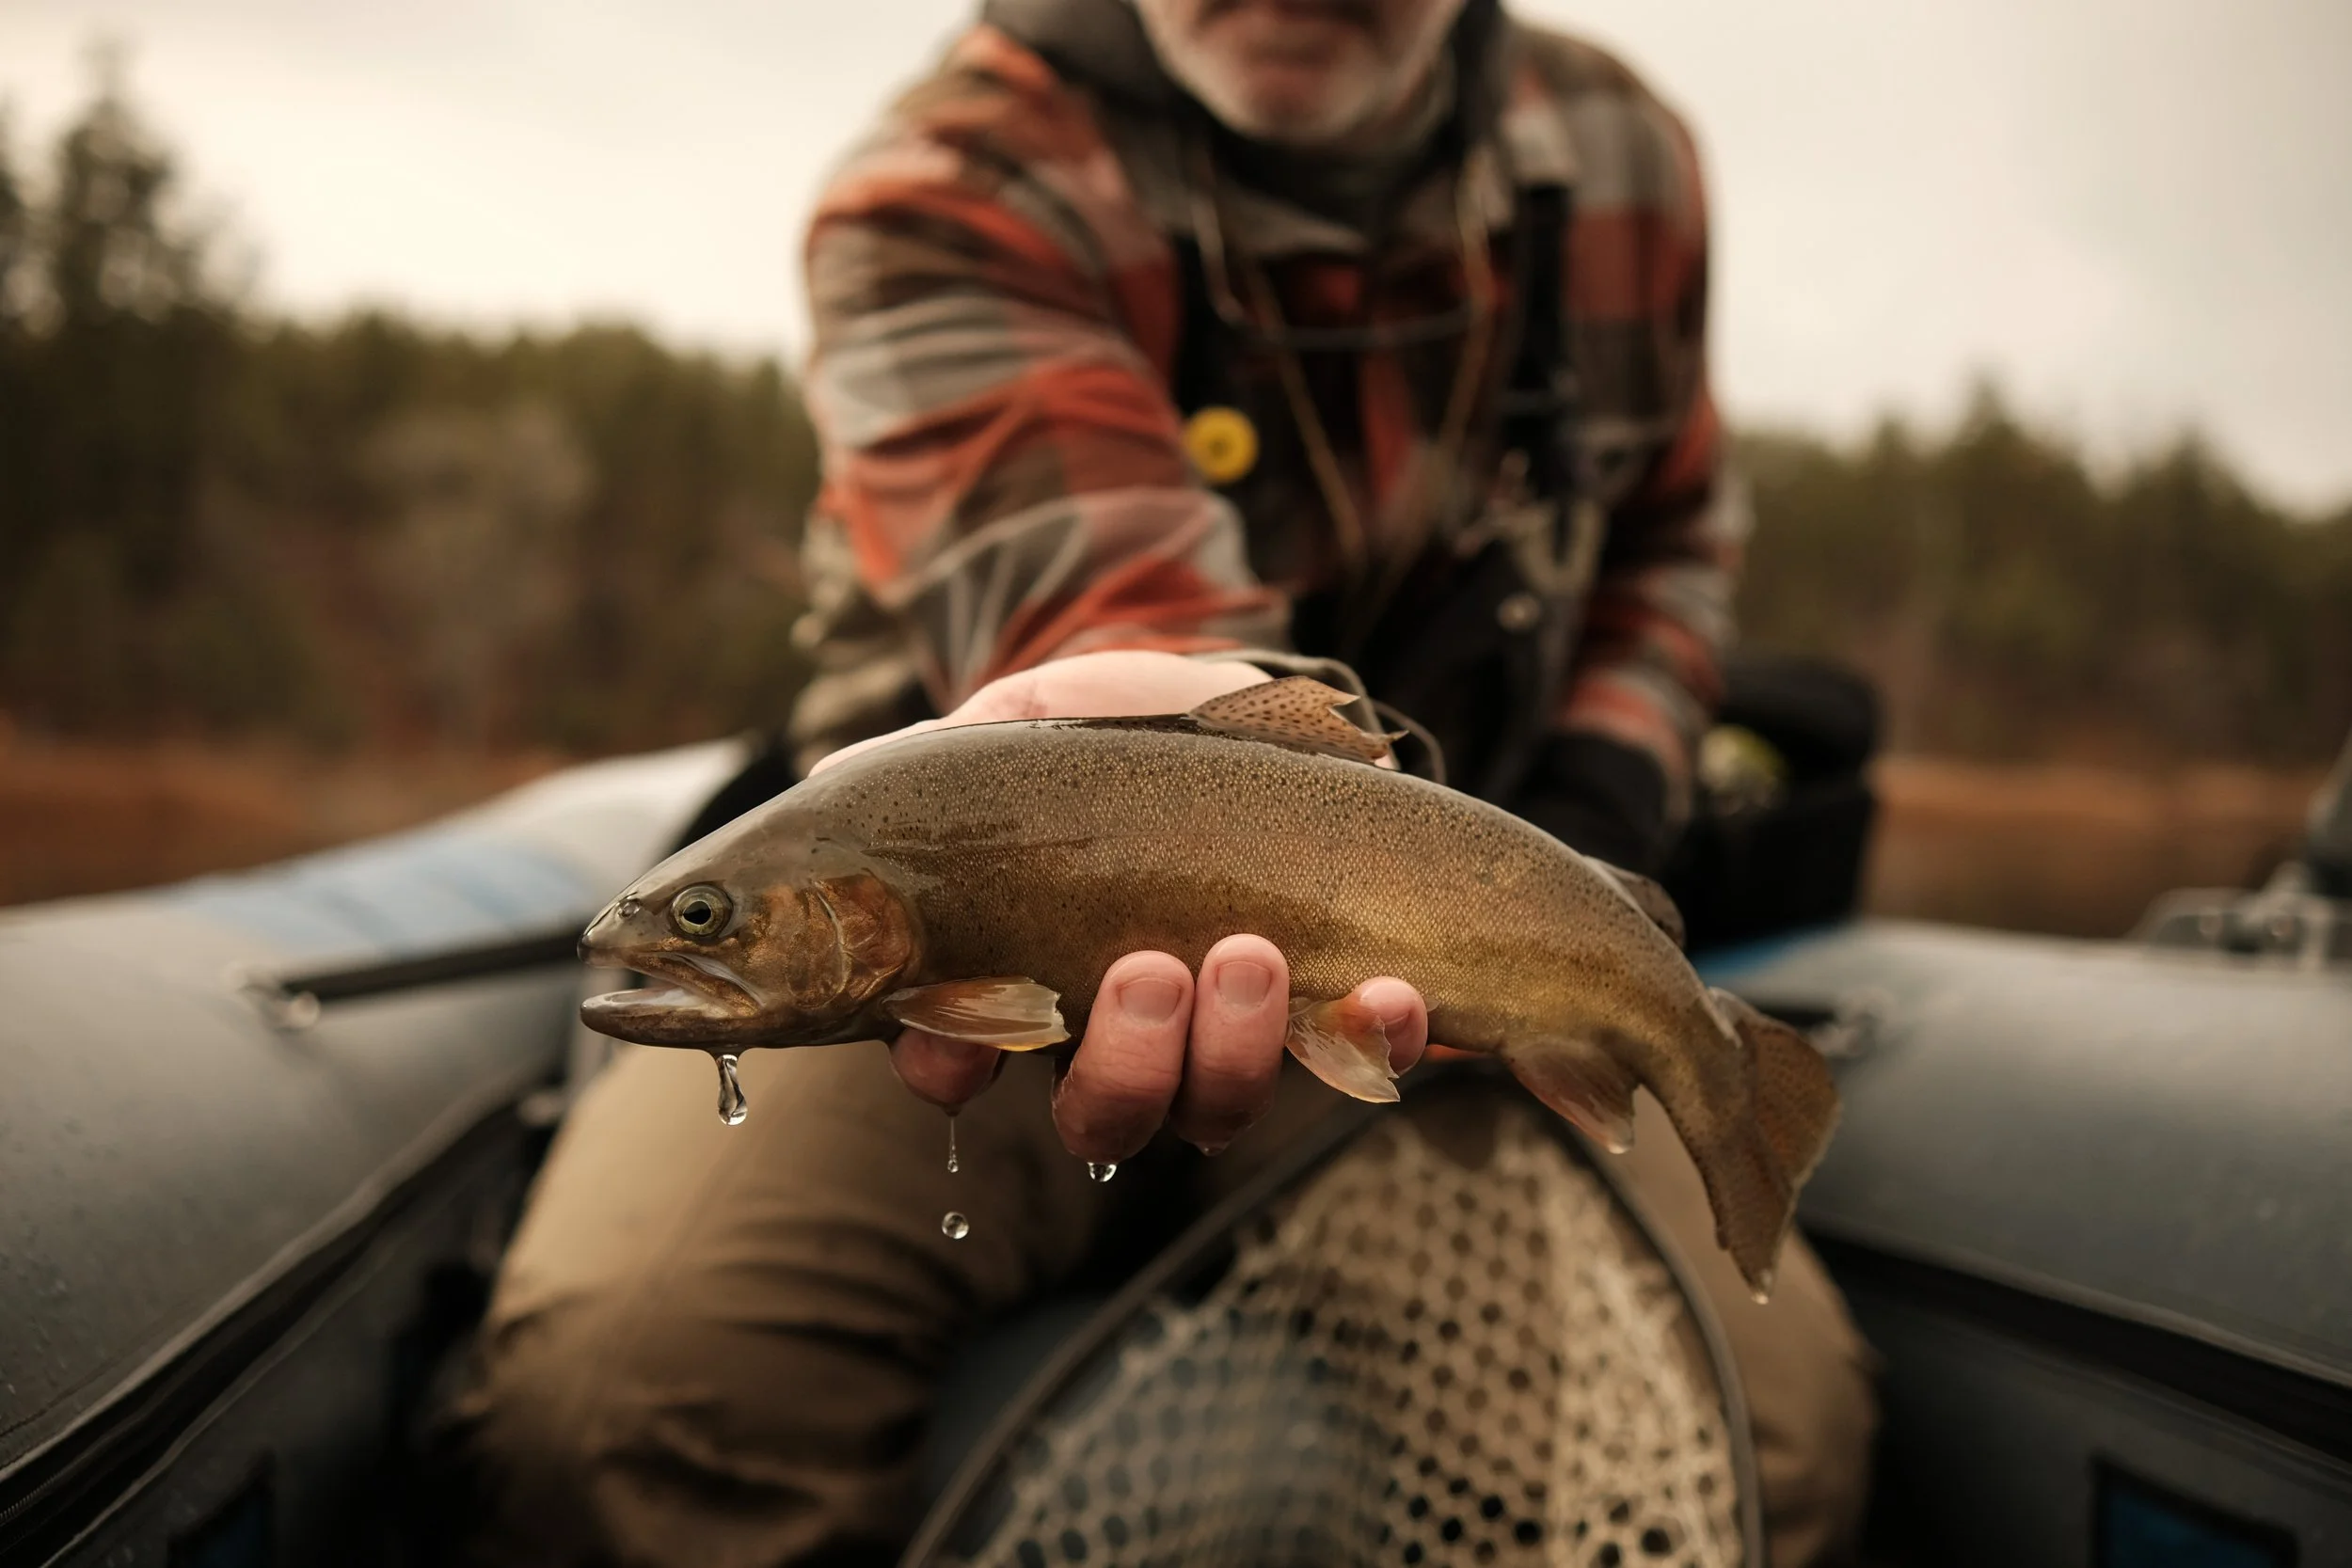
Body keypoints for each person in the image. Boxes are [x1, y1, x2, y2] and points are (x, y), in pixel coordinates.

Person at [448, 0, 1879, 1562]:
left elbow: (1670, 551)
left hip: (1437, 969)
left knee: (1772, 1444)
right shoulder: (956, 175)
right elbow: (1096, 589)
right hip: (955, 940)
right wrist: (1199, 697)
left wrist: (1587, 839)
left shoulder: (1623, 159)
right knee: (622, 1402)